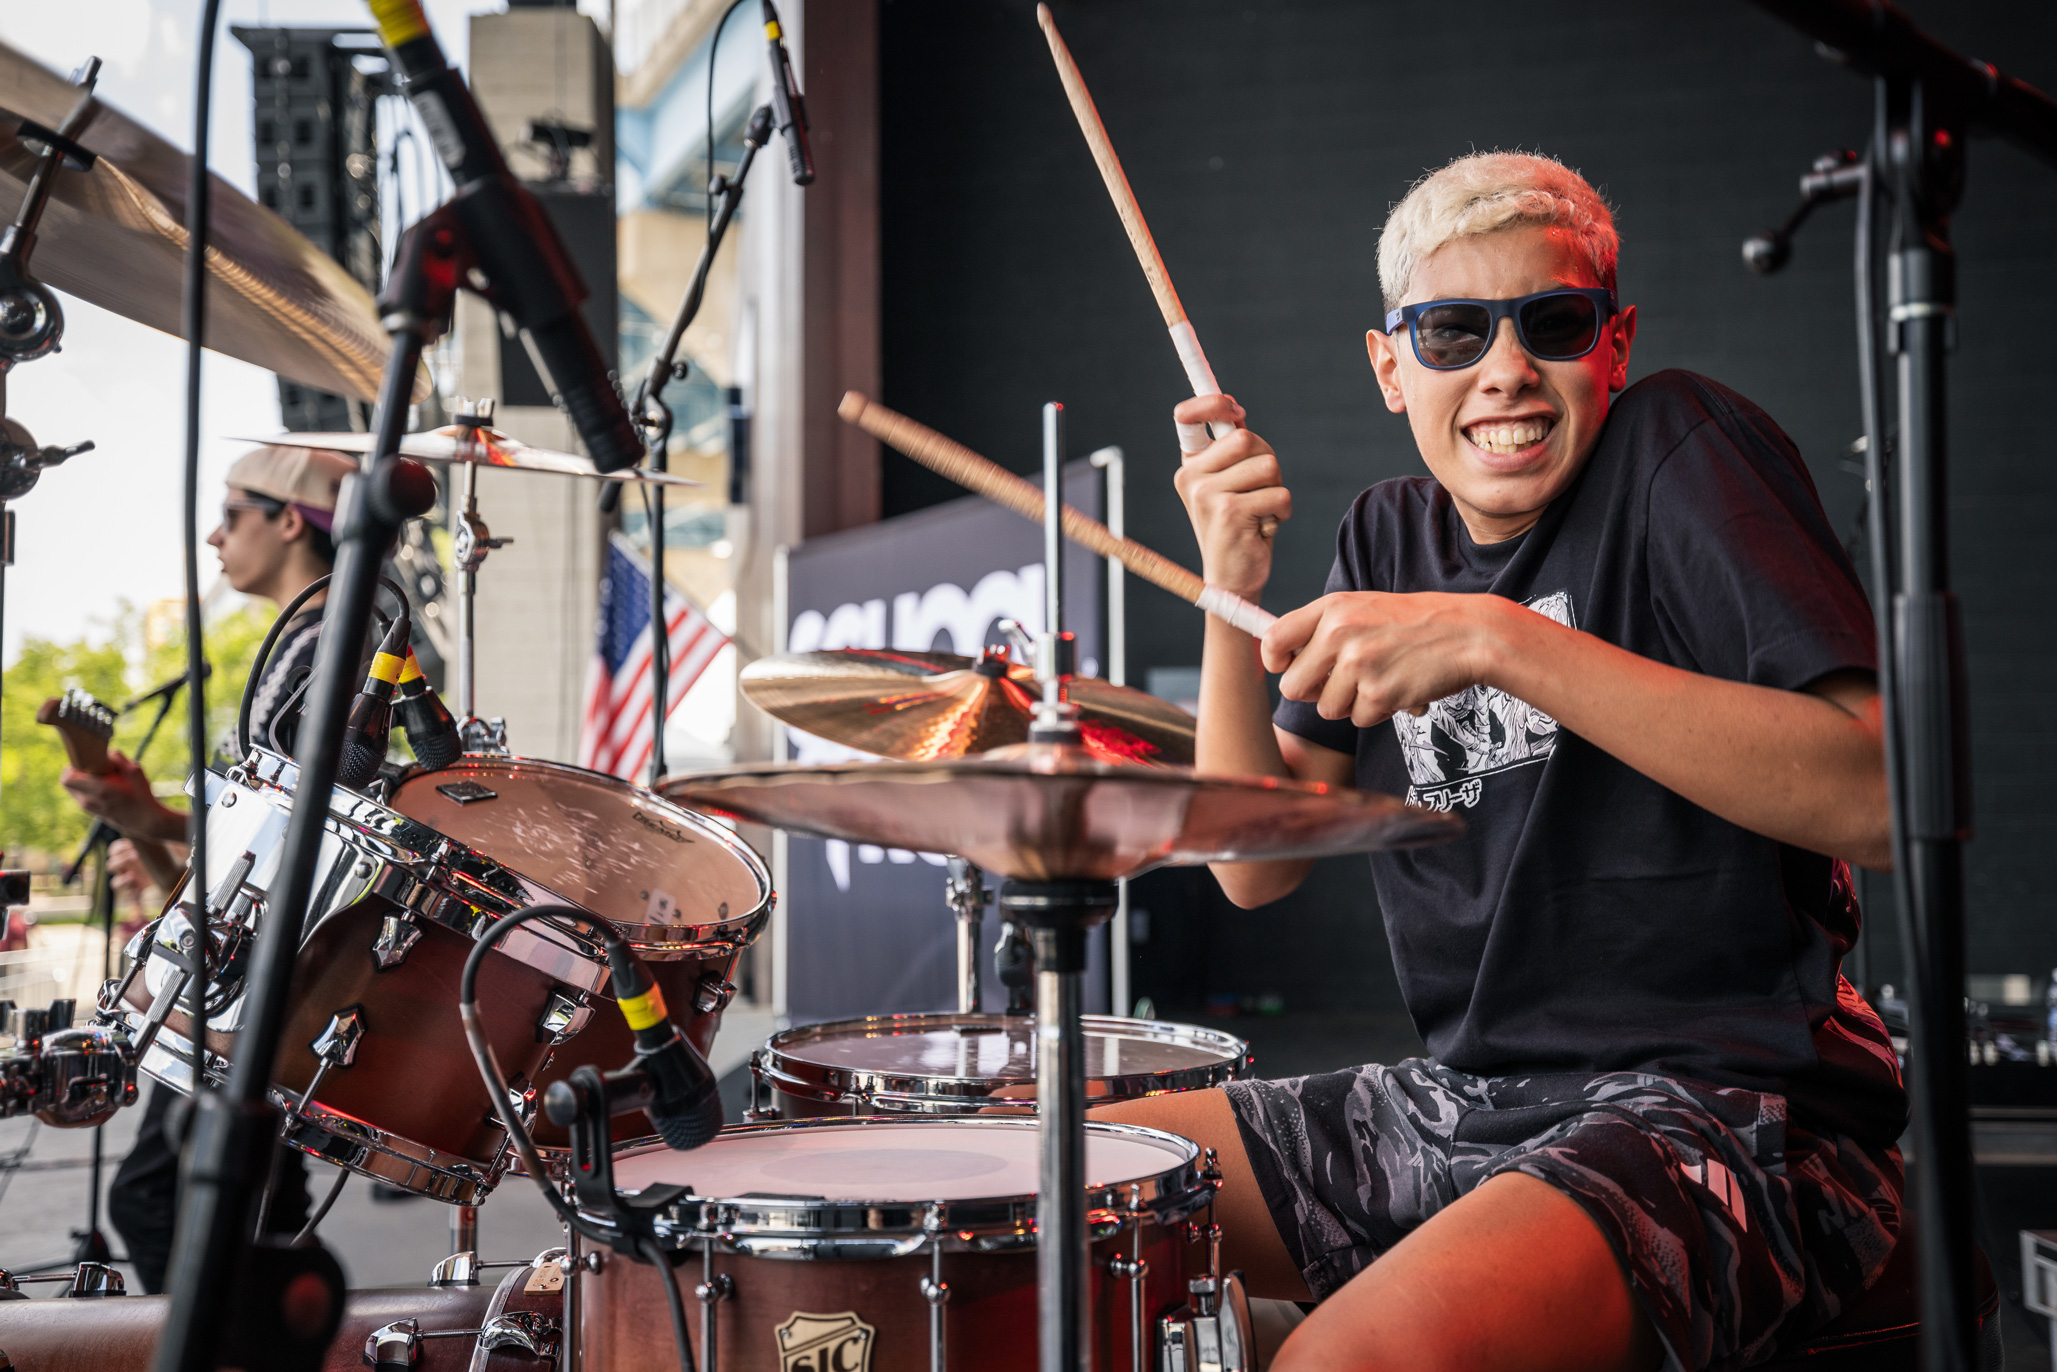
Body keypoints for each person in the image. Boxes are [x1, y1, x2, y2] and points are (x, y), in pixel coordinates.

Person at [1096, 153, 1905, 1372]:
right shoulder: (1386, 534)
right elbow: (1249, 867)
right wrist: (1226, 587)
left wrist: (1494, 639)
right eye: (1451, 332)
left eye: (1553, 323)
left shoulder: (1677, 446)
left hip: (1735, 1108)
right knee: (1056, 1186)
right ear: (1390, 367)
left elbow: (1879, 797)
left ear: (1613, 344)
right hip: (1472, 1100)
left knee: (1334, 1364)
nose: (1505, 368)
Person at [59, 443, 357, 1293]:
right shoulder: (308, 637)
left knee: (158, 1200)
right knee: (260, 1201)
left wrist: (154, 820)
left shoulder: (327, 642)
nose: (214, 537)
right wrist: (151, 831)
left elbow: (304, 835)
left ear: (289, 520)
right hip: (258, 973)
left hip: (265, 987)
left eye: (230, 515)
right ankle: (287, 1332)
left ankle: (242, 1343)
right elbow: (254, 855)